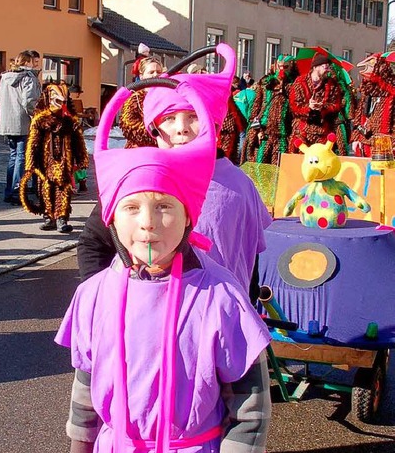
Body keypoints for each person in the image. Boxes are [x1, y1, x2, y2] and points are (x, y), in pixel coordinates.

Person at [56, 46, 271, 453]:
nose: (149, 224)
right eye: (133, 210)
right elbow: (86, 387)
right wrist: (113, 293)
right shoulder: (99, 294)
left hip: (191, 445)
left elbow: (250, 401)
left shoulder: (221, 294)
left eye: (165, 210)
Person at [79, 45, 271, 303]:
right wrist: (100, 301)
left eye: (192, 116)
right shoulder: (137, 177)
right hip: (151, 317)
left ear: (211, 122)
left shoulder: (239, 185)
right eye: (169, 118)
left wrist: (246, 307)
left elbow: (249, 256)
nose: (181, 129)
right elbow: (94, 244)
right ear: (154, 128)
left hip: (220, 318)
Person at [19, 82, 88, 233]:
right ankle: (49, 217)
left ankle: (62, 218)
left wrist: (82, 159)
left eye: (63, 102)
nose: (61, 105)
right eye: (58, 101)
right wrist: (30, 163)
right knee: (45, 188)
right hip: (45, 163)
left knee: (63, 189)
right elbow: (33, 142)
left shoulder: (70, 121)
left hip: (64, 162)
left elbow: (78, 142)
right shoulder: (40, 121)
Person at [0, 51, 41, 204]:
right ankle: (18, 190)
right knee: (21, 157)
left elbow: (0, 98)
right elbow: (29, 101)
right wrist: (37, 115)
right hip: (22, 122)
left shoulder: (5, 78)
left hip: (8, 123)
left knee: (13, 156)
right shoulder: (27, 77)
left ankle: (9, 191)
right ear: (27, 62)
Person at [242, 54, 298, 165]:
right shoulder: (266, 84)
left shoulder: (294, 86)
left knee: (278, 169)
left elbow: (295, 114)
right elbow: (254, 109)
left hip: (282, 136)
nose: (281, 70)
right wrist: (258, 131)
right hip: (264, 133)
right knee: (260, 166)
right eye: (279, 66)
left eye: (285, 67)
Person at [289, 53, 343, 149]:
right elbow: (294, 106)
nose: (327, 70)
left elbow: (336, 105)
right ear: (315, 67)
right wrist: (308, 108)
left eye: (328, 67)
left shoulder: (332, 84)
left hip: (323, 131)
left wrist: (322, 107)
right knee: (299, 159)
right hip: (302, 130)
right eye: (324, 67)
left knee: (321, 160)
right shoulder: (300, 82)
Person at [118, 55, 164, 149]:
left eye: (158, 72)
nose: (155, 75)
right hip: (139, 150)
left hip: (162, 150)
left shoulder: (167, 96)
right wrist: (158, 135)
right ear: (142, 76)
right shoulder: (136, 98)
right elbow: (129, 125)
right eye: (151, 72)